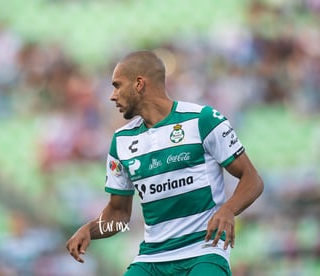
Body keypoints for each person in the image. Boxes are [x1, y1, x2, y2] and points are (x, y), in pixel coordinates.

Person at [66, 50, 264, 275]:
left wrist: (228, 209)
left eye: (117, 85)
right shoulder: (121, 141)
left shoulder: (202, 120)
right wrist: (90, 230)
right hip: (152, 259)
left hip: (203, 252)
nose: (112, 95)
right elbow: (119, 214)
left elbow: (252, 179)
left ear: (139, 84)